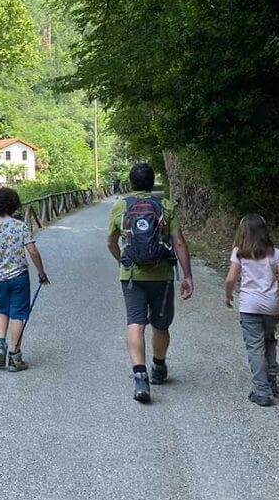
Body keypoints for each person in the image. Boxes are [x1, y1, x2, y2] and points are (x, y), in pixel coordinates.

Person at [107, 162, 194, 402]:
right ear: (152, 180)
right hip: (162, 275)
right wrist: (187, 275)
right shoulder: (165, 206)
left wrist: (122, 260)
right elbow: (178, 242)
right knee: (161, 324)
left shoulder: (120, 207)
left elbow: (111, 242)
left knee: (135, 323)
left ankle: (140, 377)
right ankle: (159, 366)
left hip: (132, 276)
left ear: (131, 183)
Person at [224, 214, 279, 407]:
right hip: (271, 306)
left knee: (255, 346)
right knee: (269, 340)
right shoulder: (275, 253)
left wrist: (228, 296)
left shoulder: (240, 252)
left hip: (249, 306)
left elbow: (230, 279)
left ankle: (261, 390)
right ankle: (271, 378)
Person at [0, 186, 49, 372]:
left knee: (2, 310)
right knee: (18, 314)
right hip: (19, 276)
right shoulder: (20, 226)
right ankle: (14, 356)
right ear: (14, 204)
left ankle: (0, 343)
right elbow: (33, 252)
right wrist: (41, 273)